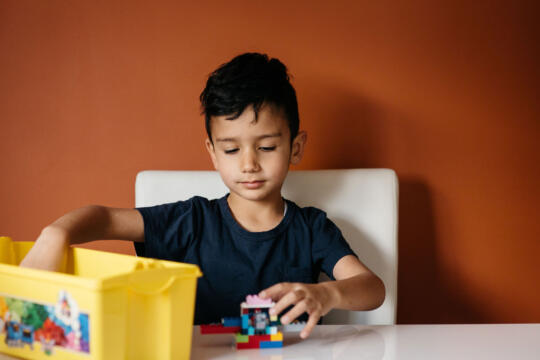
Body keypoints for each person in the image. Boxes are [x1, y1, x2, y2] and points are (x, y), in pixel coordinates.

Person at [20, 52, 385, 339]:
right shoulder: (191, 221)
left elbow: (372, 289)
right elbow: (104, 217)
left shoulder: (311, 227)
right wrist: (57, 234)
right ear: (212, 152)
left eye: (267, 146)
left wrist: (327, 294)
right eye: (230, 150)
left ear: (295, 147)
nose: (249, 165)